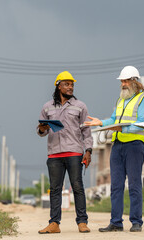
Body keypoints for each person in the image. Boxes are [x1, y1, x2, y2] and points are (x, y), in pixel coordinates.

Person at [84, 66, 144, 232]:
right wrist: (101, 122)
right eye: (122, 81)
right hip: (118, 145)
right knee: (116, 186)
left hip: (134, 145)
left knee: (135, 184)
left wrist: (123, 130)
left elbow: (142, 123)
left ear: (135, 82)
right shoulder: (120, 100)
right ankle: (116, 222)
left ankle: (136, 222)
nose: (123, 84)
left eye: (126, 81)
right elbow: (115, 119)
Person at [37, 71, 93, 234]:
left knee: (77, 186)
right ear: (58, 86)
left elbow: (86, 132)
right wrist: (41, 128)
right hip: (54, 154)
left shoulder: (80, 106)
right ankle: (54, 223)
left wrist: (88, 150)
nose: (70, 87)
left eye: (72, 84)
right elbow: (41, 131)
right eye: (67, 84)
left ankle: (82, 222)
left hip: (74, 152)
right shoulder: (47, 107)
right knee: (55, 189)